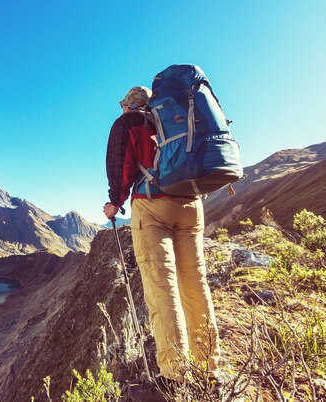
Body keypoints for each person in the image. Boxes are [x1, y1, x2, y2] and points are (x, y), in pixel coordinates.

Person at [103, 87, 221, 395]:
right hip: (191, 206)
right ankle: (209, 367)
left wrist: (114, 203)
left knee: (162, 287)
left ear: (129, 104)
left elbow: (120, 169)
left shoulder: (129, 123)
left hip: (153, 206)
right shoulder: (177, 119)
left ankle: (176, 376)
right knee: (195, 283)